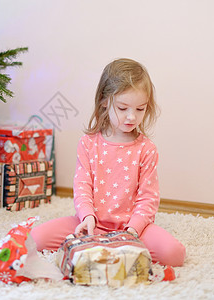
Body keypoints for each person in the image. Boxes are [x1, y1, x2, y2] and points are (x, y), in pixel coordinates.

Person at [31, 58, 186, 266]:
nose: (131, 117)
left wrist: (133, 231)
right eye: (123, 108)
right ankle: (100, 242)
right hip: (90, 223)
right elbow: (82, 186)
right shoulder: (88, 144)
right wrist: (87, 217)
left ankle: (111, 245)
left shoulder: (146, 149)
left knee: (174, 255)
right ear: (105, 100)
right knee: (34, 239)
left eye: (140, 109)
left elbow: (148, 198)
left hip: (133, 228)